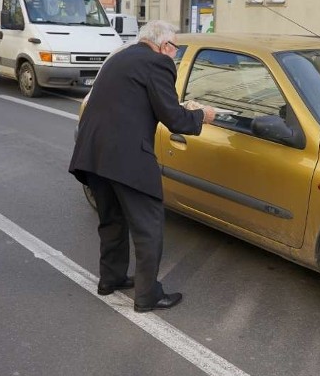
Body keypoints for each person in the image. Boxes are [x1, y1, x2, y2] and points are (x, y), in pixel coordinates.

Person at [69, 20, 216, 312]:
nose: (174, 54)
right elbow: (173, 119)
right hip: (126, 158)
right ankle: (148, 296)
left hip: (93, 153)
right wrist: (202, 115)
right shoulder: (158, 63)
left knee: (111, 219)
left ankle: (110, 279)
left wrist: (176, 107)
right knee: (149, 227)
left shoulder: (120, 56)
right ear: (164, 46)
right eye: (175, 48)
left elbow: (136, 101)